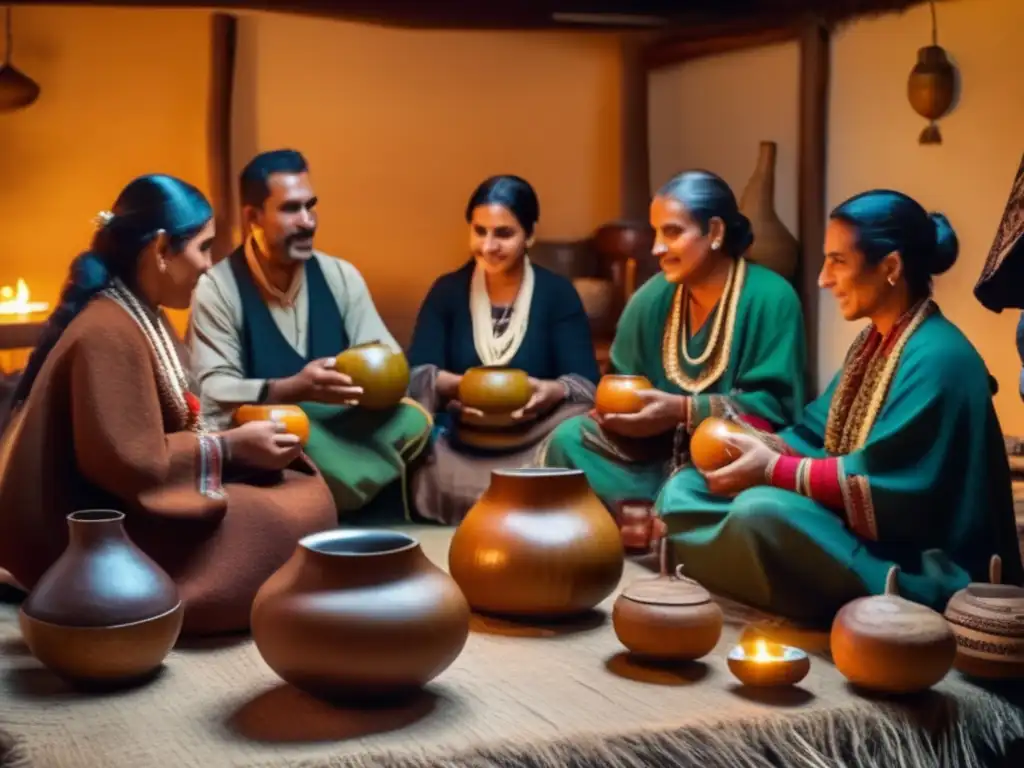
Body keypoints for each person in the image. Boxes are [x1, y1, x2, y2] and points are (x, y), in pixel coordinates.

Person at [659, 189, 1024, 622]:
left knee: (762, 512)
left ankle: (880, 598)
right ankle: (783, 581)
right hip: (856, 530)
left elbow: (890, 487)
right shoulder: (872, 343)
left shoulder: (941, 357)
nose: (822, 279)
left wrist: (771, 469)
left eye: (838, 261)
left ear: (890, 267)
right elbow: (815, 434)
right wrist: (754, 444)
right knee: (685, 490)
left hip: (923, 560)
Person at [0, 175, 337, 635]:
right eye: (203, 248)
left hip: (157, 498)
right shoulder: (106, 331)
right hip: (114, 531)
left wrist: (231, 446)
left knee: (297, 483)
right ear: (161, 249)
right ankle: (157, 595)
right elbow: (129, 462)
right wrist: (230, 450)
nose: (209, 265)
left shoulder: (141, 313)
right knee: (288, 513)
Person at [539, 169, 807, 519]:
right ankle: (647, 520)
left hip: (721, 462)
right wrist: (617, 415)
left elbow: (777, 407)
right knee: (569, 439)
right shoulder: (651, 298)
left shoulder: (772, 297)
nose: (657, 248)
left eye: (673, 232)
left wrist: (683, 411)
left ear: (714, 232)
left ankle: (653, 517)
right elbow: (620, 383)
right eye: (656, 233)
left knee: (737, 487)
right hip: (648, 458)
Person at [187, 150, 432, 521]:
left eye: (311, 206)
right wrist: (293, 388)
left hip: (341, 421)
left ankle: (336, 484)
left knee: (413, 417)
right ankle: (339, 489)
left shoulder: (340, 276)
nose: (307, 222)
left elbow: (388, 357)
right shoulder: (217, 288)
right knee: (288, 427)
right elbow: (211, 390)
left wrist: (370, 381)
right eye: (290, 209)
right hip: (275, 424)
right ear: (253, 217)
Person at [407, 175, 600, 524]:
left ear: (530, 235)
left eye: (504, 233)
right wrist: (461, 387)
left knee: (582, 424)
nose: (489, 245)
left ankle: (533, 490)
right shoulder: (448, 291)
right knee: (411, 425)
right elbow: (418, 374)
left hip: (534, 436)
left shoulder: (556, 293)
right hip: (464, 439)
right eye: (480, 231)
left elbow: (586, 383)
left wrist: (550, 390)